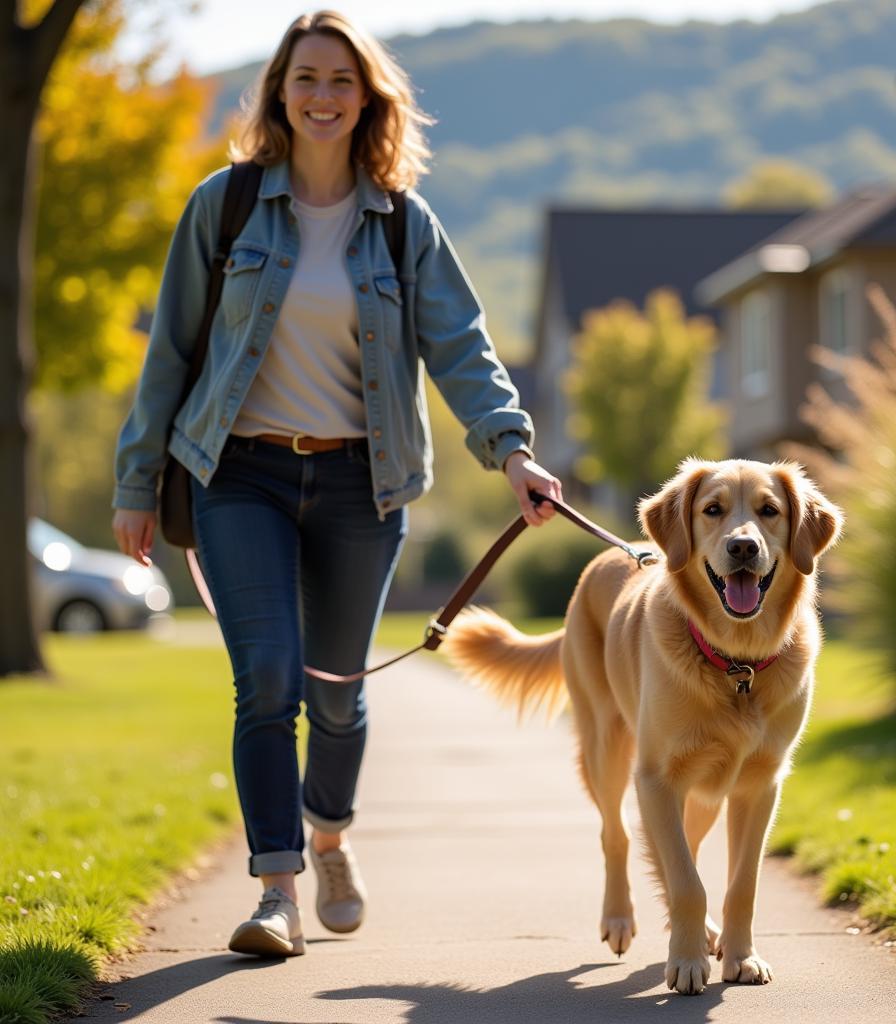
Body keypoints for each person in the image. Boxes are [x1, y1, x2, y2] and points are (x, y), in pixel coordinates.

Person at [111, 9, 562, 958]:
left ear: (369, 100)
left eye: (341, 82)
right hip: (239, 473)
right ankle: (277, 888)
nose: (322, 96)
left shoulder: (402, 225)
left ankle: (331, 835)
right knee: (265, 678)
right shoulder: (225, 206)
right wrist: (137, 479)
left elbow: (462, 351)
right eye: (306, 78)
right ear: (280, 90)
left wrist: (512, 450)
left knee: (340, 692)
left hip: (364, 481)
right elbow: (172, 351)